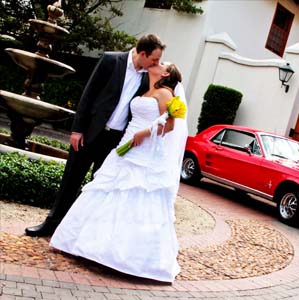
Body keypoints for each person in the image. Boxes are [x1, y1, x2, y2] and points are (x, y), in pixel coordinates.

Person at [50, 63, 187, 283]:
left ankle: (125, 256)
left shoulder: (165, 93)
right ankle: (89, 244)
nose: (158, 63)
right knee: (108, 188)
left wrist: (145, 132)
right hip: (127, 142)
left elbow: (170, 127)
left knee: (133, 192)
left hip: (144, 149)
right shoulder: (148, 88)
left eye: (162, 64)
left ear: (166, 74)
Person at [25, 34, 166, 237]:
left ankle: (80, 234)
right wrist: (77, 130)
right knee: (71, 182)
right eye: (154, 59)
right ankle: (50, 225)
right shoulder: (111, 60)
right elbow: (89, 93)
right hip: (89, 133)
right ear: (142, 53)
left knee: (98, 188)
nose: (156, 64)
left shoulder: (147, 76)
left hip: (115, 140)